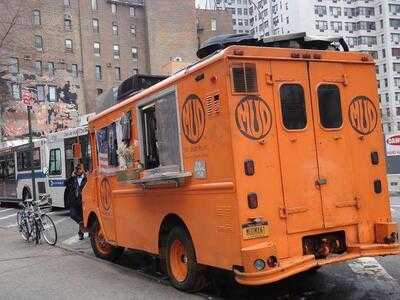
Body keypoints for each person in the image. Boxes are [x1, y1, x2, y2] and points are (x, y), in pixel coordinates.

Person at [64, 163, 87, 240]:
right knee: (73, 215)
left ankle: (81, 233)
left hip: (83, 202)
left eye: (80, 169)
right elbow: (65, 183)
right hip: (73, 202)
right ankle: (81, 225)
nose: (78, 171)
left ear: (82, 170)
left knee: (84, 217)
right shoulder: (73, 179)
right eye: (77, 170)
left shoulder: (86, 179)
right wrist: (71, 176)